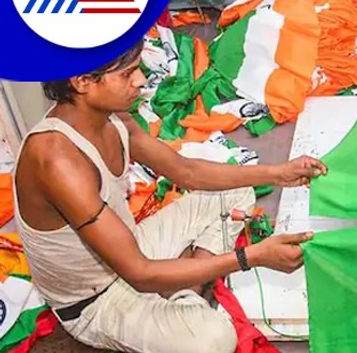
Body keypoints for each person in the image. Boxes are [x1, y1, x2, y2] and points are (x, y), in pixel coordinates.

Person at [13, 41, 327, 353]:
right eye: (126, 74)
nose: (139, 80)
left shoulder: (112, 117)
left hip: (129, 249)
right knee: (214, 339)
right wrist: (252, 257)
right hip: (95, 299)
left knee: (236, 192)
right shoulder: (57, 161)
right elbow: (139, 273)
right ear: (82, 82)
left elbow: (186, 171)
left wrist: (279, 173)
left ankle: (183, 293)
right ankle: (188, 296)